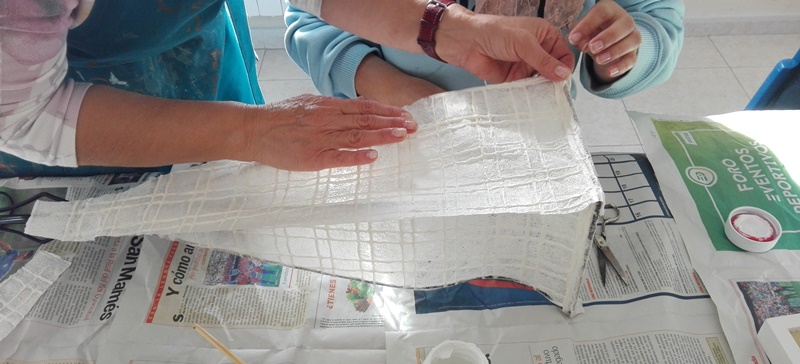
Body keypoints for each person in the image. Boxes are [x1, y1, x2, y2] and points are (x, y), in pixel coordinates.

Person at [1, 0, 574, 178]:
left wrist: (450, 30)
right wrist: (251, 131)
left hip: (190, 48)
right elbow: (26, 116)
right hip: (70, 120)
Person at [285, 0, 684, 106]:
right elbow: (311, 14)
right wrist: (397, 90)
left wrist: (619, 52)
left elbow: (657, 23)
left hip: (540, 130)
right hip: (401, 125)